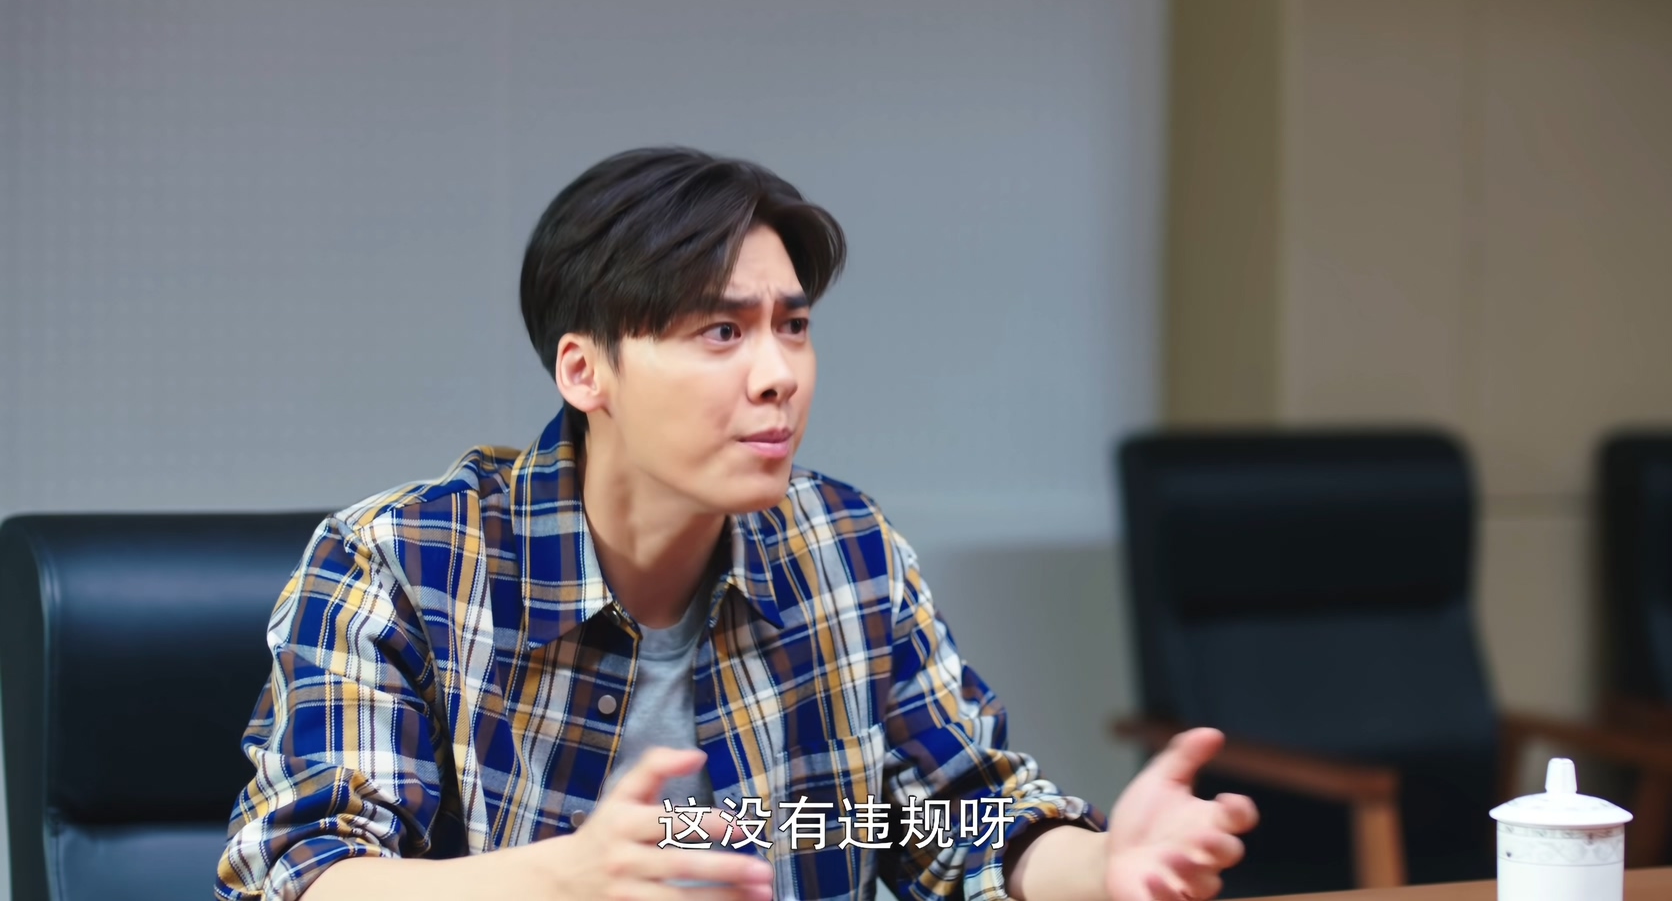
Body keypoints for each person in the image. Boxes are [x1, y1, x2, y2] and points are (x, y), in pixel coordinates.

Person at [216, 147, 1257, 901]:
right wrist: (563, 878)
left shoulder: (843, 547)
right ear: (585, 371)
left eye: (792, 327)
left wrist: (1104, 864)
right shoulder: (403, 561)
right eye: (721, 330)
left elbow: (961, 817)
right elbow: (303, 872)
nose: (777, 375)